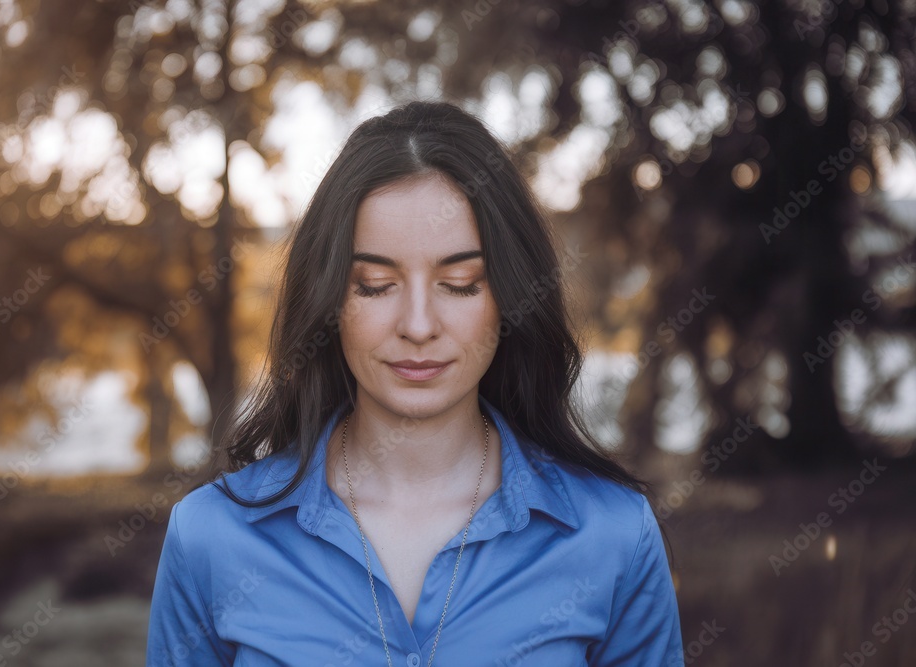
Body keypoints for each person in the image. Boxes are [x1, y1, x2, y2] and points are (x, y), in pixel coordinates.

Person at [146, 99, 684, 666]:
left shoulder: (614, 536)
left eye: (460, 283)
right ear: (329, 299)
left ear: (509, 296)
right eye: (375, 285)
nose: (419, 326)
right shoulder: (210, 537)